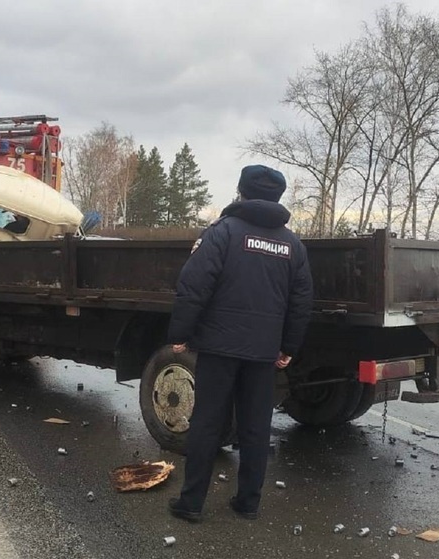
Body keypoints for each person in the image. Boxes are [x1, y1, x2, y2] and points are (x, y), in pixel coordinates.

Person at [167, 164, 313, 522]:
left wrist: (180, 335)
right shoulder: (292, 244)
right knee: (255, 426)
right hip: (264, 352)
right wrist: (288, 347)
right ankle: (248, 502)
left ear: (241, 192)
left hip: (218, 347)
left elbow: (194, 286)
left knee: (206, 423)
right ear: (278, 197)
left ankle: (191, 504)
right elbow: (301, 300)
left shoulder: (222, 233)